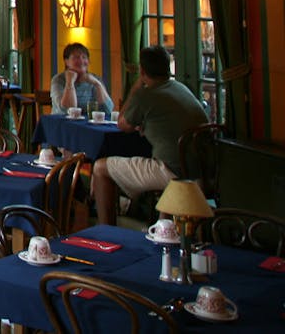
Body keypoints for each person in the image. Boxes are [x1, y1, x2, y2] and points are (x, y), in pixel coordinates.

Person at [91, 44, 208, 225]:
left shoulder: (145, 95)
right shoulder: (181, 88)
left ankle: (106, 232)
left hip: (171, 170)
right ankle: (162, 226)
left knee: (100, 168)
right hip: (203, 169)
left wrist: (136, 86)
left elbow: (122, 124)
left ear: (142, 70)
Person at [50, 42, 114, 114]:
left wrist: (97, 84)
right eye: (76, 57)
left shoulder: (95, 79)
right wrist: (69, 82)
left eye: (84, 57)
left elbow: (108, 110)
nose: (81, 61)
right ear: (66, 61)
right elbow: (67, 110)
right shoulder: (58, 80)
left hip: (88, 123)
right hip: (62, 123)